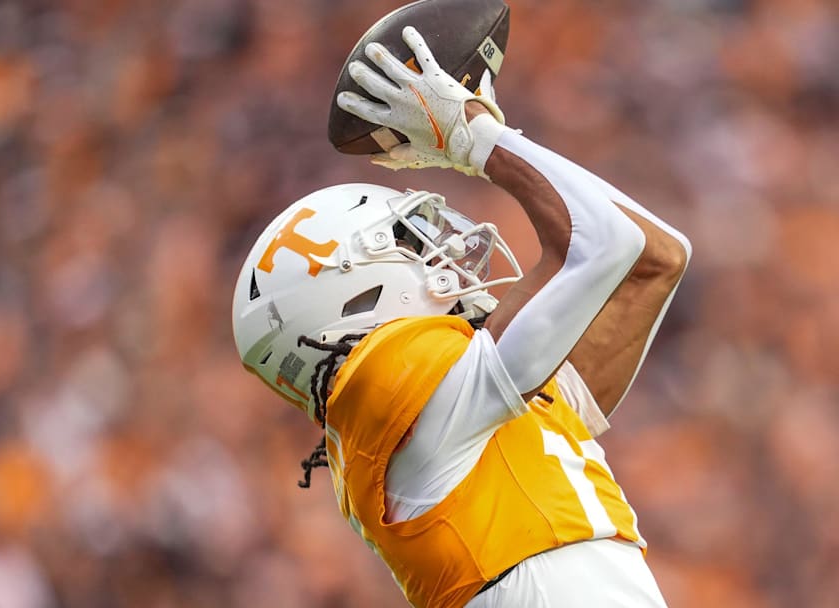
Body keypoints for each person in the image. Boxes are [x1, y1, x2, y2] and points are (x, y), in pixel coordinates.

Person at [232, 26, 690, 608]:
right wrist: (476, 141)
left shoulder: (468, 416)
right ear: (347, 294)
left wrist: (488, 142)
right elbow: (606, 243)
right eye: (407, 238)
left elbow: (655, 256)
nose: (439, 246)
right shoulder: (392, 398)